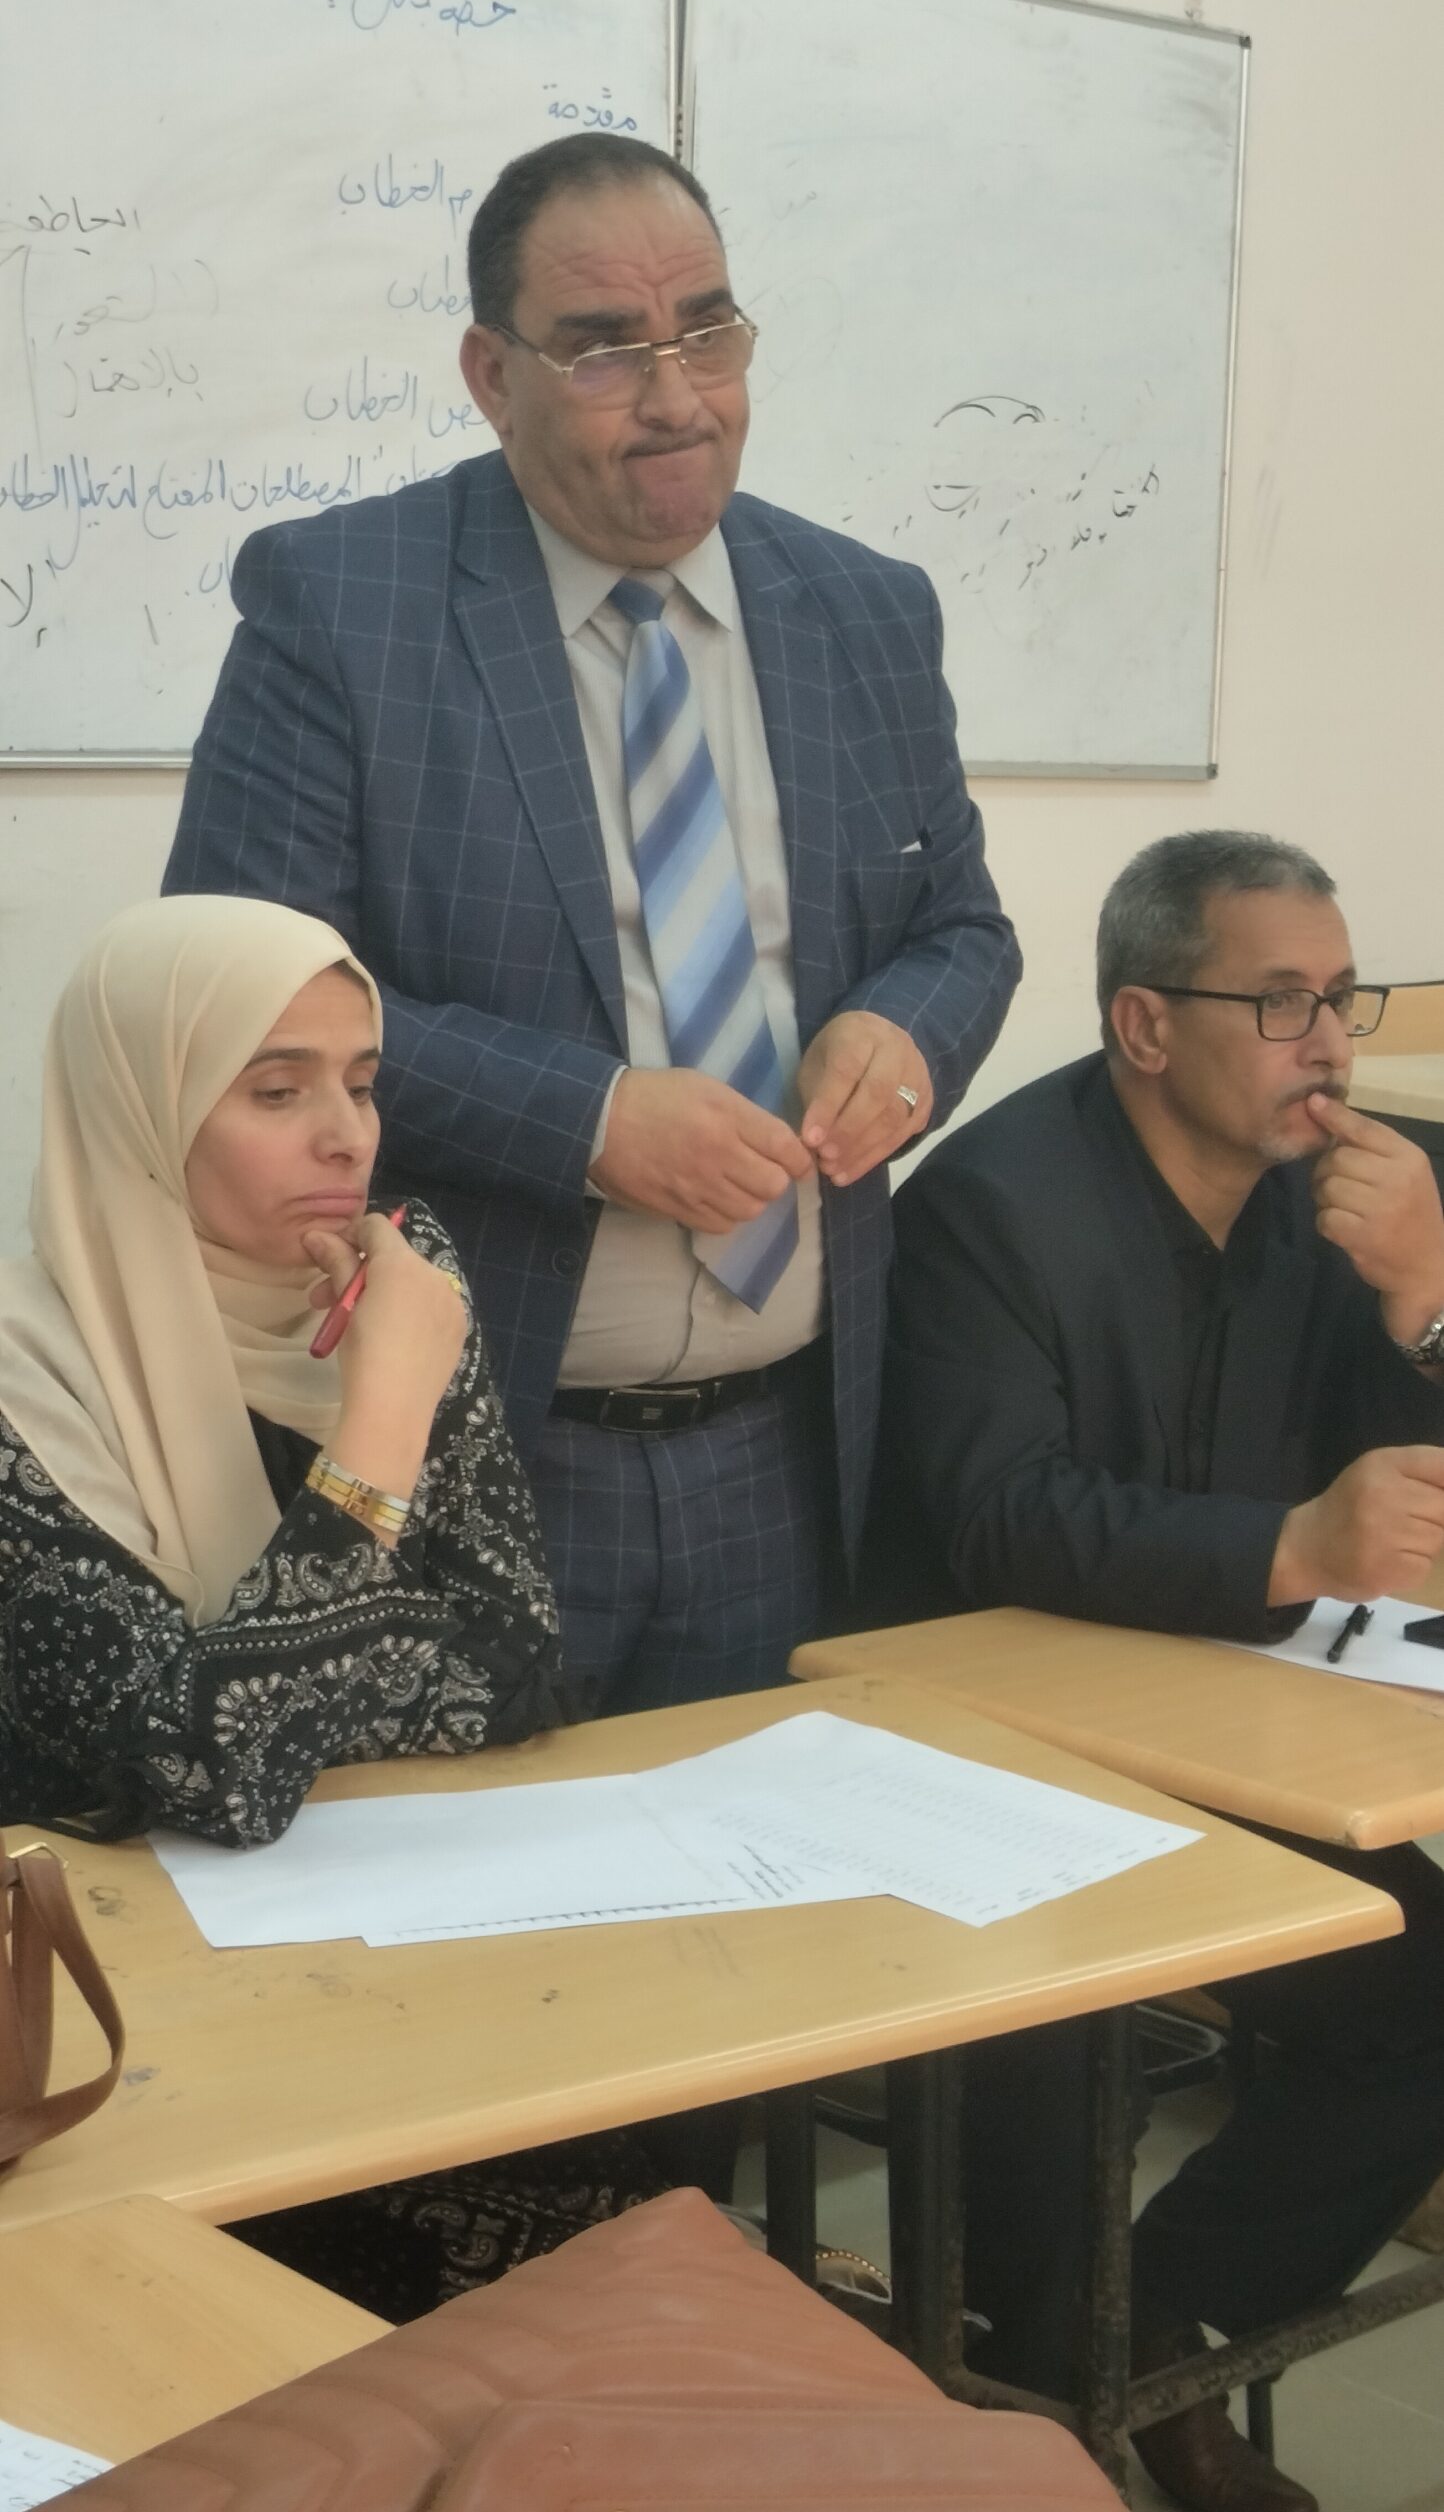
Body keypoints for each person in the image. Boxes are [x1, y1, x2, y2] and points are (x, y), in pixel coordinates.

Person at [163, 130, 1020, 1719]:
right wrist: (592, 1123)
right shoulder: (343, 606)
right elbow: (238, 1001)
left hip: (784, 1452)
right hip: (471, 1449)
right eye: (608, 348)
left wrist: (904, 1034)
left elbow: (963, 926)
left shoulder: (867, 611)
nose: (678, 395)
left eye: (709, 330)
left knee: (756, 1868)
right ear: (493, 376)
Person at [0, 893, 678, 2310]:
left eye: (362, 1084)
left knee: (643, 2153)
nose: (346, 1137)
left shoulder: (399, 1286)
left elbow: (514, 1665)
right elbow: (206, 1772)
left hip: (391, 1954)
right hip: (134, 2047)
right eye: (275, 1090)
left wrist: (264, 1684)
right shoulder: (29, 1385)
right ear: (143, 1113)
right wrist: (377, 1431)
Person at [878, 831, 1444, 2512]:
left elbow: (1401, 1485)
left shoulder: (1357, 1191)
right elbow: (998, 1516)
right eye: (1279, 1004)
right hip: (985, 1748)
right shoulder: (991, 1206)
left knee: (1424, 1997)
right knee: (1053, 2055)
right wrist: (1292, 1546)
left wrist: (1426, 1300)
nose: (1329, 1045)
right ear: (1142, 1023)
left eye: (1343, 998)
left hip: (1228, 1731)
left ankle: (1163, 2325)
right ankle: (1068, 2371)